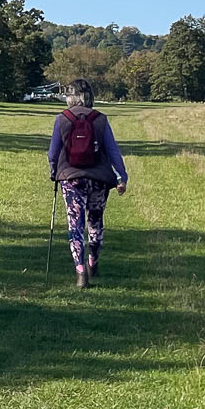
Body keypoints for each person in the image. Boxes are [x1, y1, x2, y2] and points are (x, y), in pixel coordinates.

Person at [48, 78, 127, 290]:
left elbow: (53, 153)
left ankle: (80, 272)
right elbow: (112, 151)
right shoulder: (100, 119)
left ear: (71, 96)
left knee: (75, 224)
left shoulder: (62, 119)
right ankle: (93, 261)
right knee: (95, 221)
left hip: (71, 177)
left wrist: (54, 172)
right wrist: (122, 176)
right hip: (99, 179)